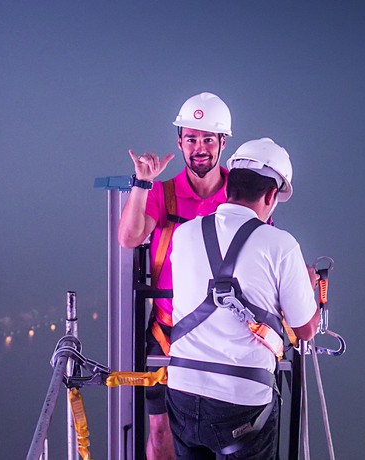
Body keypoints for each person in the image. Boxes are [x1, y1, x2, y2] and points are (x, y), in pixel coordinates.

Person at [166, 138, 321, 459]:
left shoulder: (184, 234)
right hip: (242, 401)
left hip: (182, 388)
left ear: (228, 187)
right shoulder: (281, 245)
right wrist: (308, 287)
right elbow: (305, 330)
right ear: (271, 195)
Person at [117, 92, 233, 460]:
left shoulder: (240, 195)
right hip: (169, 330)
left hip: (226, 330)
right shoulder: (163, 194)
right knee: (161, 428)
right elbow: (129, 237)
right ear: (179, 143)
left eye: (208, 139)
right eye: (192, 139)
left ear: (223, 143)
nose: (199, 148)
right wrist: (142, 183)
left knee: (224, 426)